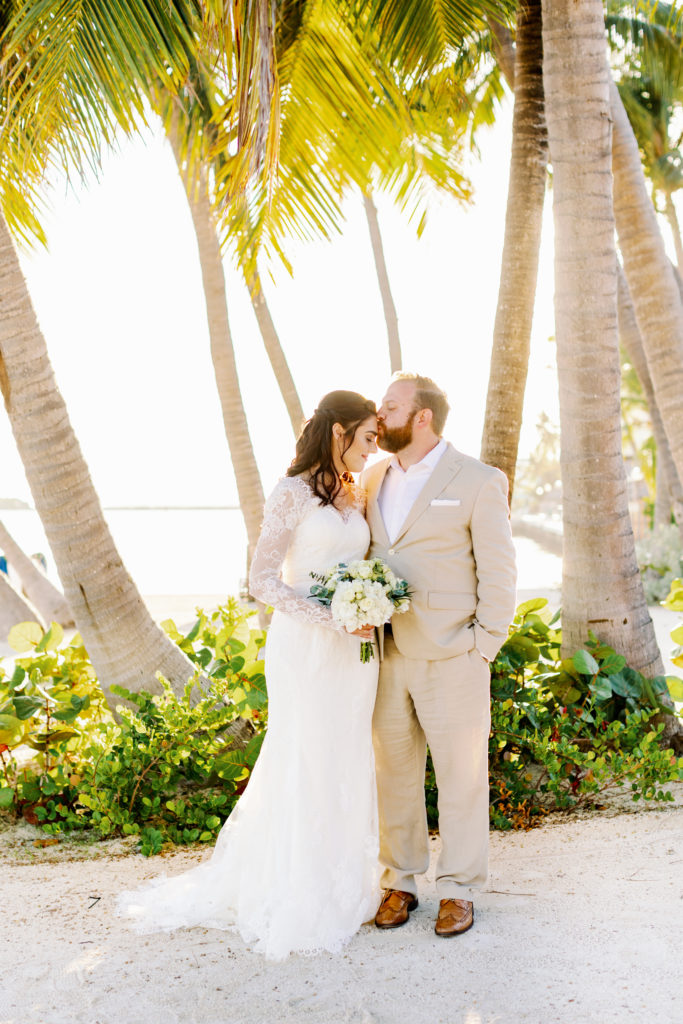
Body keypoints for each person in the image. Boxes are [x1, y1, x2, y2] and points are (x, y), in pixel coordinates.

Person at [117, 391, 380, 960]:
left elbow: (362, 566)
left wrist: (366, 607)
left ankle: (348, 881)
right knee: (303, 755)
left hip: (354, 651)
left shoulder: (359, 492)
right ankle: (296, 886)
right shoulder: (292, 492)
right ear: (339, 433)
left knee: (346, 753)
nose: (372, 448)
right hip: (305, 647)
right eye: (366, 438)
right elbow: (261, 579)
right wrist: (330, 617)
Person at [360, 372, 517, 937]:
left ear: (421, 416)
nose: (380, 415)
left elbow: (499, 570)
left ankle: (459, 890)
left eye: (391, 406)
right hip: (386, 652)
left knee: (461, 777)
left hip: (455, 654)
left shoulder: (477, 480)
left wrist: (484, 646)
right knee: (393, 775)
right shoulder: (371, 477)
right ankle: (399, 883)